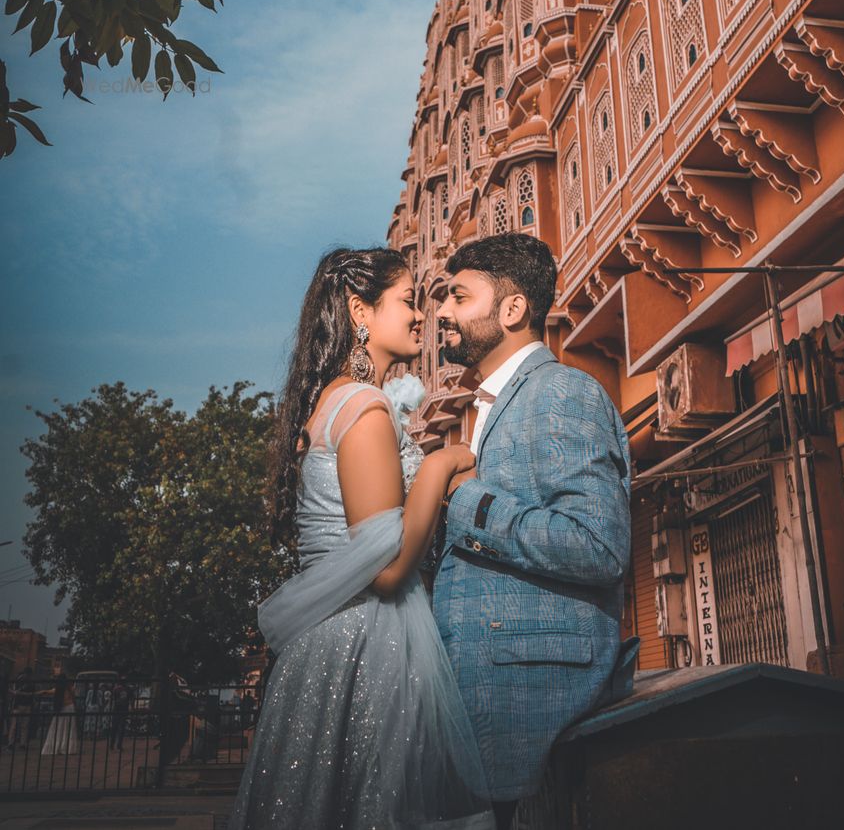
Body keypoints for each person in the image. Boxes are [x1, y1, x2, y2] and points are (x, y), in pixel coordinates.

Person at [229, 246, 493, 830]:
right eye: (406, 300)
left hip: (324, 647)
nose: (422, 315)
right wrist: (441, 464)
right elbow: (389, 568)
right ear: (361, 312)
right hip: (365, 642)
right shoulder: (364, 406)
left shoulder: (330, 404)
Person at [433, 233, 636, 830]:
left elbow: (597, 546)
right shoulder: (497, 405)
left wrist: (466, 505)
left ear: (513, 309)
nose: (442, 312)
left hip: (535, 705)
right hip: (486, 700)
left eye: (459, 297)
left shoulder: (562, 393)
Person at [40, 669, 79, 756]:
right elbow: (74, 697)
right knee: (68, 728)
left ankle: (57, 746)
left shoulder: (58, 689)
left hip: (61, 708)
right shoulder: (70, 688)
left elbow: (46, 692)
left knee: (58, 727)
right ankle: (67, 747)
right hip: (69, 707)